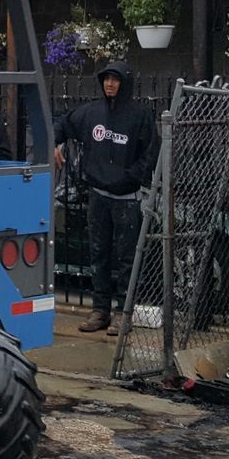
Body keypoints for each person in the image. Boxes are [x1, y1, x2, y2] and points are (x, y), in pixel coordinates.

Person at [53, 60, 159, 334]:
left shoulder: (140, 115)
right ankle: (100, 311)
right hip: (98, 195)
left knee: (126, 258)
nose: (110, 84)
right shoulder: (91, 112)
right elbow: (63, 123)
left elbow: (150, 154)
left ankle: (125, 312)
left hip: (128, 198)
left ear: (125, 83)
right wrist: (55, 142)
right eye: (106, 79)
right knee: (98, 254)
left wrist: (129, 178)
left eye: (115, 79)